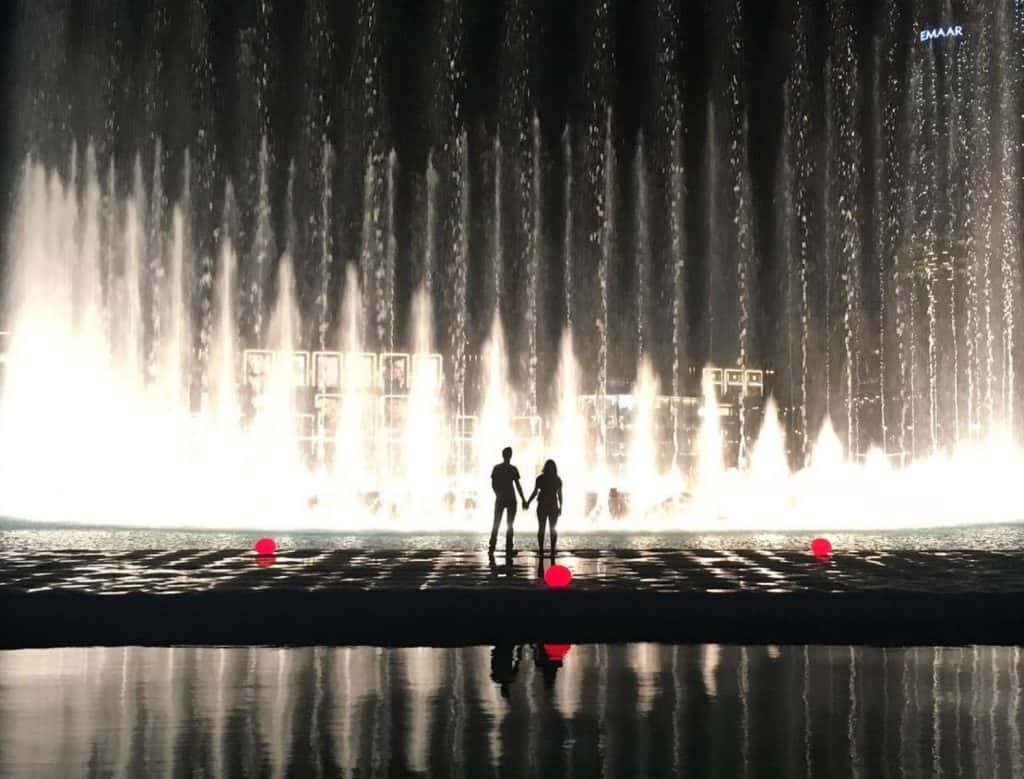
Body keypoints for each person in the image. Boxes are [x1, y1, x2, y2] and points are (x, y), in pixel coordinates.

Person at [490, 446, 526, 555]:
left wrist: (497, 493)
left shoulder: (496, 468)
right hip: (511, 498)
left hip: (500, 498)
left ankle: (492, 545)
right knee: (510, 524)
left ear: (503, 455)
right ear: (510, 455)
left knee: (496, 522)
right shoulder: (513, 469)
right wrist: (524, 499)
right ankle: (509, 546)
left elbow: (493, 484)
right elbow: (518, 486)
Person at [524, 459, 563, 561]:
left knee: (541, 528)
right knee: (553, 529)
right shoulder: (557, 479)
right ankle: (552, 550)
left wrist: (528, 502)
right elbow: (559, 495)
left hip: (542, 505)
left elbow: (535, 492)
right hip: (553, 505)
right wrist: (561, 507)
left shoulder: (540, 478)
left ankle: (541, 550)